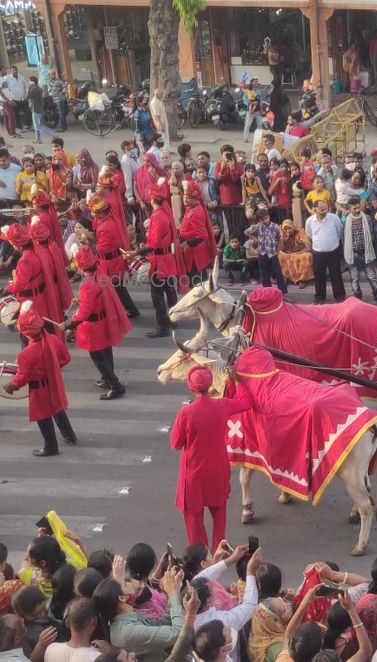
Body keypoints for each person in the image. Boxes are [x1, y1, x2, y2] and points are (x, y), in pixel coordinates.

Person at [170, 366, 252, 549]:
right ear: (210, 385)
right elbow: (247, 402)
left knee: (194, 520)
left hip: (193, 473)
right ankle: (218, 551)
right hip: (218, 469)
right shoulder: (222, 404)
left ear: (191, 387)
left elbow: (175, 444)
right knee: (219, 515)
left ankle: (200, 558)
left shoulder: (185, 413)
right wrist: (237, 381)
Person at [4, 304, 75, 457]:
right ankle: (70, 435)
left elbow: (21, 378)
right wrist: (53, 367)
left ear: (25, 332)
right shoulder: (54, 340)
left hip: (39, 389)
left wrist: (11, 386)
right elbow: (65, 358)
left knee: (43, 418)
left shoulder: (26, 355)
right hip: (53, 383)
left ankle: (51, 447)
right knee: (57, 409)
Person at [61, 248, 130, 400]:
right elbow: (94, 299)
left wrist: (67, 324)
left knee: (98, 357)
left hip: (93, 326)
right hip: (103, 321)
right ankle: (108, 379)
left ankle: (115, 385)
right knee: (106, 352)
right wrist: (80, 299)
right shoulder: (99, 275)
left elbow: (84, 313)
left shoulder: (87, 285)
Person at [135, 179, 181, 337]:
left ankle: (163, 327)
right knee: (170, 292)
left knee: (158, 296)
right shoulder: (165, 214)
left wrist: (134, 253)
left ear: (153, 200)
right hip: (167, 258)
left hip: (159, 262)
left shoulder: (157, 217)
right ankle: (173, 319)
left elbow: (153, 243)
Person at [343, 197, 377, 306]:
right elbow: (344, 238)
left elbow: (371, 235)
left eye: (358, 207)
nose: (357, 210)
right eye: (354, 209)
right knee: (354, 279)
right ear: (349, 209)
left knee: (372, 277)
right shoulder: (346, 221)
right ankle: (358, 301)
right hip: (352, 255)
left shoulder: (367, 218)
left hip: (366, 253)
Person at [303, 199, 343, 303]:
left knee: (336, 274)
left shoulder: (334, 218)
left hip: (333, 251)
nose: (324, 211)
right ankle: (320, 297)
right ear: (314, 209)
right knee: (319, 275)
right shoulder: (310, 221)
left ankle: (339, 296)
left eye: (326, 209)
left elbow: (340, 232)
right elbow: (309, 235)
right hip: (318, 253)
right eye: (321, 209)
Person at [245, 209, 287, 294]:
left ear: (269, 217)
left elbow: (280, 238)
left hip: (272, 253)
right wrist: (255, 238)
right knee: (265, 275)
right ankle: (268, 293)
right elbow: (246, 232)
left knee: (278, 273)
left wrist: (278, 250)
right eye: (262, 219)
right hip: (262, 253)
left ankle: (283, 293)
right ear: (259, 220)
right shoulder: (258, 226)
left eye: (266, 218)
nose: (264, 221)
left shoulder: (275, 227)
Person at [277, 220, 312, 287]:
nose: (288, 231)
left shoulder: (301, 233)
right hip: (288, 254)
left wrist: (296, 253)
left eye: (289, 228)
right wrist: (281, 237)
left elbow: (308, 248)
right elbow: (281, 249)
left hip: (300, 253)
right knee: (280, 255)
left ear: (293, 227)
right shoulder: (284, 235)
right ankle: (286, 278)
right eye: (286, 229)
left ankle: (302, 280)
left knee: (308, 255)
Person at [28, 76, 55, 144]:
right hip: (39, 108)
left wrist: (29, 87)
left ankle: (53, 135)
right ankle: (38, 139)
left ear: (32, 82)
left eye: (30, 81)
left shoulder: (34, 89)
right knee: (36, 125)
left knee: (38, 126)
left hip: (36, 109)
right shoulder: (39, 88)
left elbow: (28, 96)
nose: (28, 82)